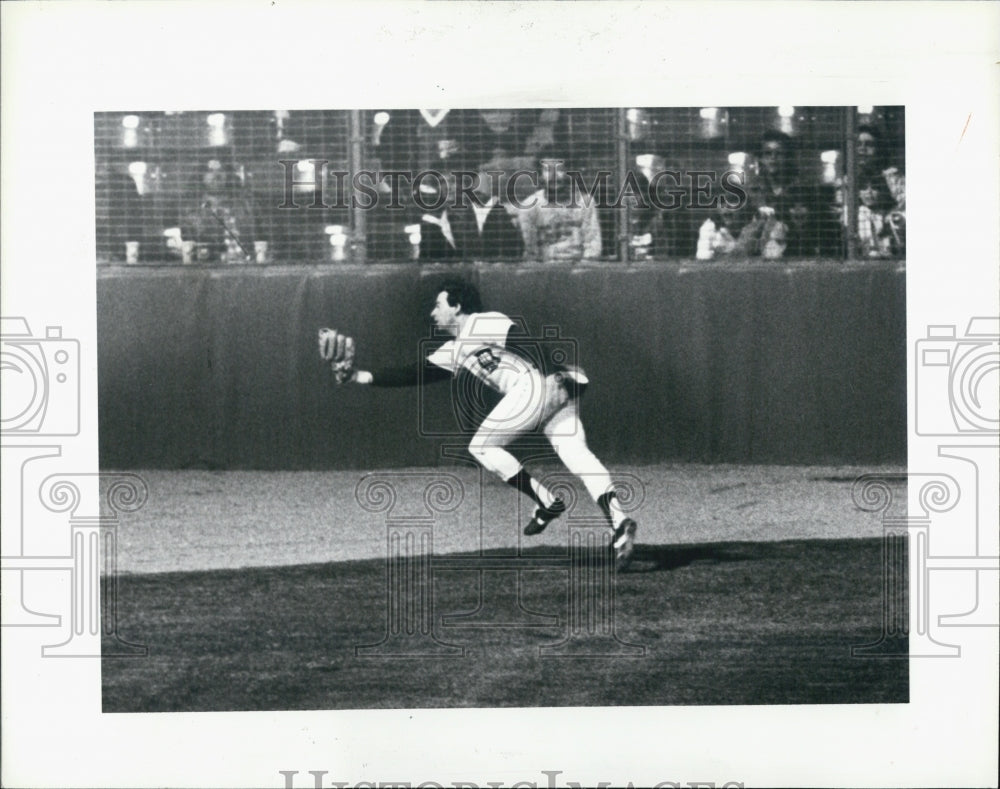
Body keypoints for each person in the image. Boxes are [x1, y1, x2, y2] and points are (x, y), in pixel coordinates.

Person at [319, 280, 638, 570]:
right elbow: (412, 373)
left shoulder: (483, 321)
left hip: (538, 383)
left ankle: (546, 500)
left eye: (439, 305)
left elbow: (525, 340)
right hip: (552, 390)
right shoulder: (454, 350)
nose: (433, 312)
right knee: (578, 455)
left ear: (457, 306)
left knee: (482, 446)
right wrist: (357, 375)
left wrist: (551, 371)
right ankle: (619, 523)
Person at [419, 162, 524, 261]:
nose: (448, 188)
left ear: (466, 184)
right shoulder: (431, 221)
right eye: (442, 182)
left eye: (452, 181)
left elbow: (514, 249)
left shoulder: (490, 208)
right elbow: (428, 260)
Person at [517, 159, 602, 262]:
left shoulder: (585, 201)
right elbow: (530, 250)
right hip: (544, 269)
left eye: (560, 169)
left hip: (578, 267)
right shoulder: (529, 205)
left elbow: (593, 244)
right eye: (547, 170)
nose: (554, 176)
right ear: (540, 175)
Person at [180, 158, 257, 263]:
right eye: (210, 171)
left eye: (221, 171)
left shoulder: (244, 205)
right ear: (201, 176)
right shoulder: (191, 210)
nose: (217, 175)